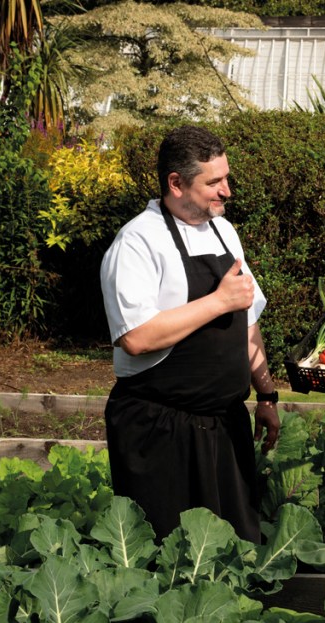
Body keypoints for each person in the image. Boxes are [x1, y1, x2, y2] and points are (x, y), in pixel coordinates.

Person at [100, 125, 280, 543]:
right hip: (160, 433)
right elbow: (137, 337)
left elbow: (248, 321)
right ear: (176, 183)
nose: (227, 191)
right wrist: (218, 301)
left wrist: (266, 394)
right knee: (169, 556)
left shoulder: (223, 231)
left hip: (225, 428)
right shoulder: (138, 242)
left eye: (226, 178)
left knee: (235, 550)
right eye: (214, 181)